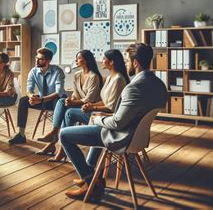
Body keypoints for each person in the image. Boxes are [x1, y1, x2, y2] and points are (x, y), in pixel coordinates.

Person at [61, 43, 167, 200]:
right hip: (139, 137)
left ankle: (92, 181)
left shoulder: (134, 87)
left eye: (127, 61)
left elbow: (117, 123)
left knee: (64, 135)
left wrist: (98, 119)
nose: (125, 64)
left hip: (122, 136)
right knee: (92, 125)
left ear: (135, 63)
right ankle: (90, 176)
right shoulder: (159, 84)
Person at [37, 50, 103, 162]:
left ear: (86, 60)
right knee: (62, 101)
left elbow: (89, 99)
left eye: (78, 58)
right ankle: (55, 134)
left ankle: (55, 141)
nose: (76, 60)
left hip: (89, 109)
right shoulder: (77, 74)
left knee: (67, 112)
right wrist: (70, 99)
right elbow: (75, 94)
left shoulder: (94, 76)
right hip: (79, 106)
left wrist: (73, 103)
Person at [8, 47, 65, 145]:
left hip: (55, 100)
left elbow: (58, 92)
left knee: (58, 101)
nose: (37, 61)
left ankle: (55, 135)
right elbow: (28, 90)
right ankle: (21, 135)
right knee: (23, 100)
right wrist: (32, 97)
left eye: (41, 59)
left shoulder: (57, 71)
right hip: (41, 99)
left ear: (48, 60)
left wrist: (41, 100)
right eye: (36, 58)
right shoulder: (34, 71)